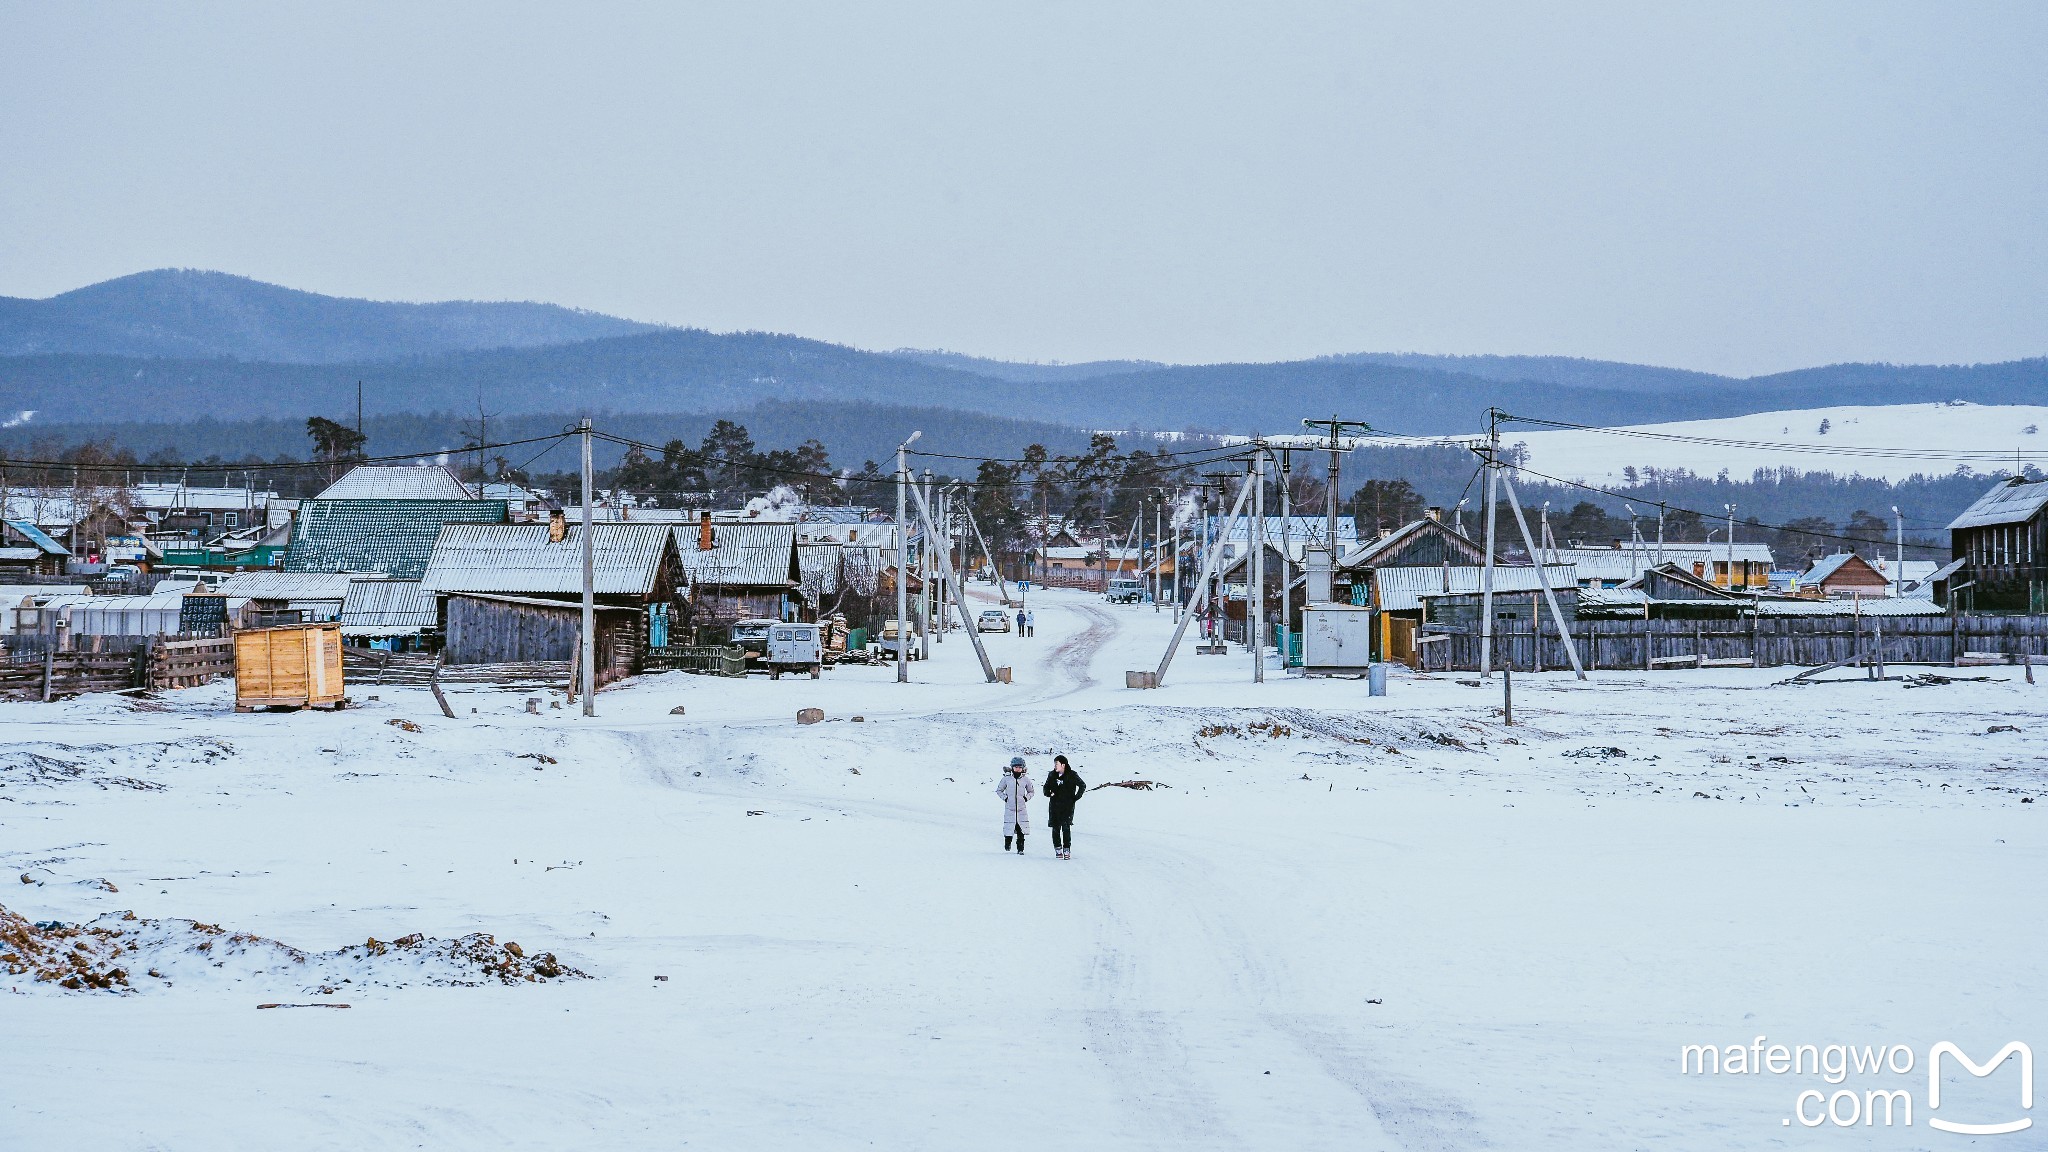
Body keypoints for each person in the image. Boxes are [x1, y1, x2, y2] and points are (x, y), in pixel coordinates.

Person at [1042, 754, 1086, 859]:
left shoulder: (1072, 775)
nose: (1055, 766)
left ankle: (1067, 850)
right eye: (1054, 764)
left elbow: (1082, 785)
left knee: (1066, 828)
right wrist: (1048, 793)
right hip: (1054, 806)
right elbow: (1046, 787)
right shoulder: (1052, 775)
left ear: (1063, 764)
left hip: (1067, 806)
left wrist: (1076, 797)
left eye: (1057, 764)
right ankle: (1058, 849)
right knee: (1055, 828)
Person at [997, 756, 1033, 854]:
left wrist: (1026, 798)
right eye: (1016, 767)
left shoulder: (1026, 779)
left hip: (1021, 809)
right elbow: (999, 790)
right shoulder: (1006, 779)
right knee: (1009, 828)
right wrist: (1005, 798)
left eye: (1019, 767)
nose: (1017, 769)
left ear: (1023, 768)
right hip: (1010, 808)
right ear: (1012, 767)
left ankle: (1020, 849)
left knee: (1021, 829)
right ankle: (1007, 843)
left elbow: (1031, 791)